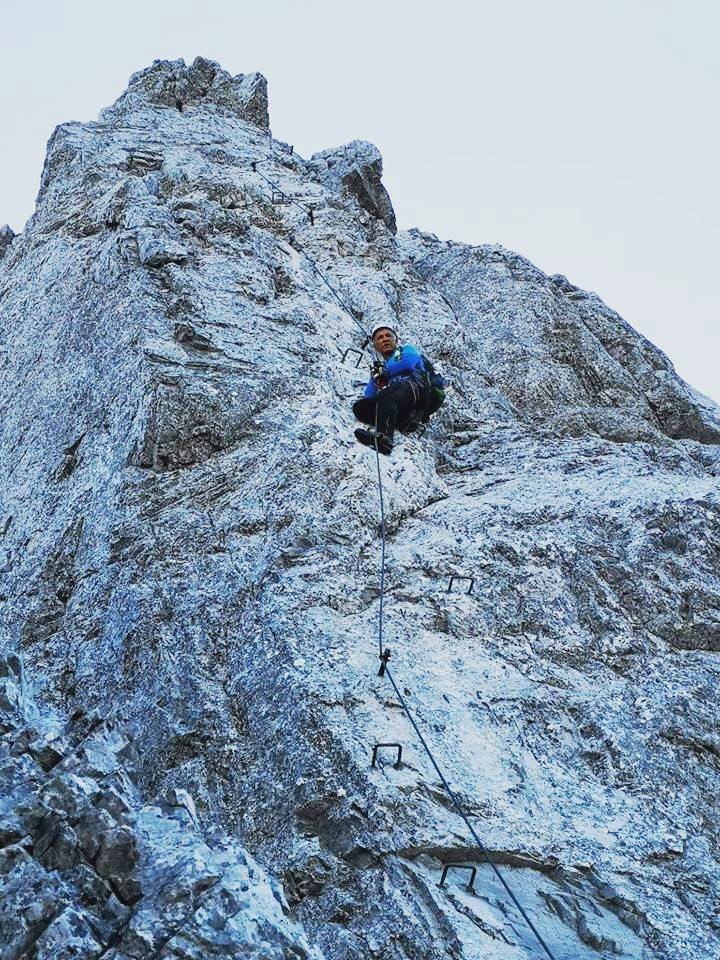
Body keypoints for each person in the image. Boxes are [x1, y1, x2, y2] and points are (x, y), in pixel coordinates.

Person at [352, 324, 430, 455]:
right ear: (375, 346)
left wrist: (385, 372)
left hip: (415, 389)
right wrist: (375, 376)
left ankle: (385, 439)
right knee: (360, 407)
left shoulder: (406, 350)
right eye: (380, 338)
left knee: (387, 392)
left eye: (388, 336)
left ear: (395, 341)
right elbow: (369, 395)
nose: (385, 339)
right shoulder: (384, 367)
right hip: (398, 400)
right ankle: (401, 422)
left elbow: (408, 363)